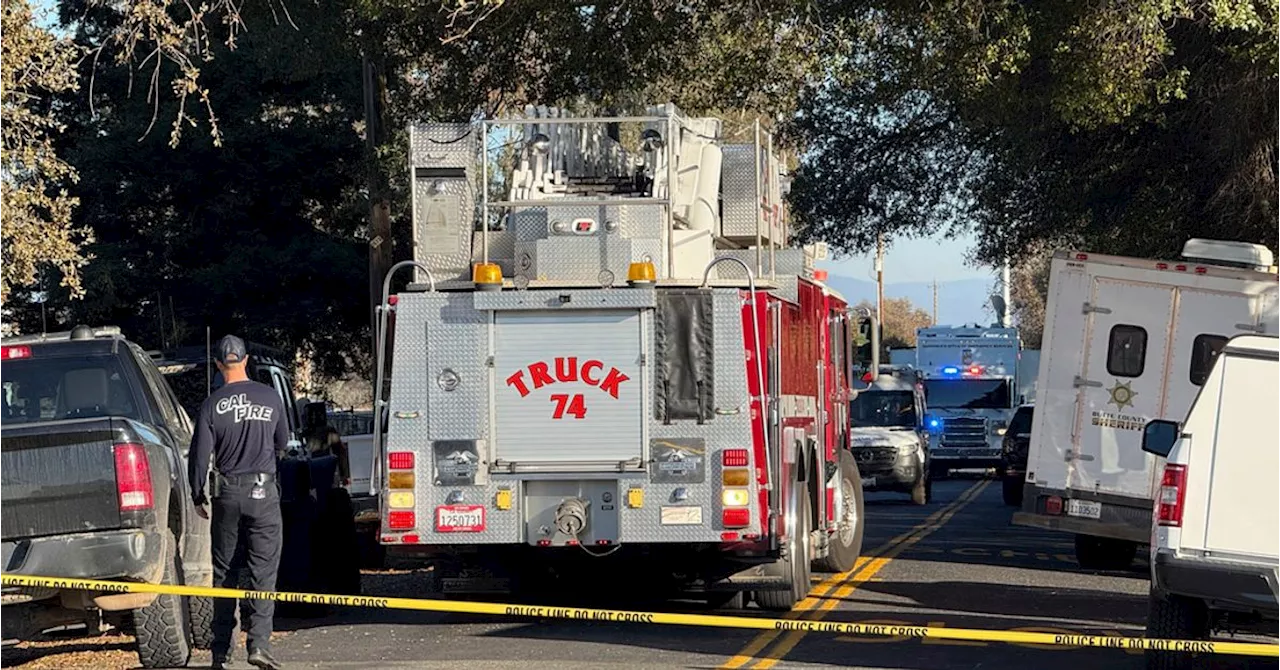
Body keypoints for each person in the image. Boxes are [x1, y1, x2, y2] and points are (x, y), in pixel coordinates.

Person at [188, 335, 287, 670]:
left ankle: (221, 652)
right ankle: (259, 645)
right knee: (264, 571)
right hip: (264, 493)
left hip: (227, 493)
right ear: (246, 360)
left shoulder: (211, 404)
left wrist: (197, 493)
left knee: (224, 573)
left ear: (218, 365)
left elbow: (200, 457)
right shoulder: (270, 397)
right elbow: (283, 442)